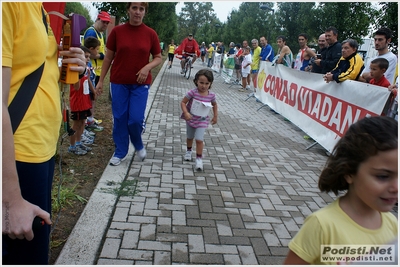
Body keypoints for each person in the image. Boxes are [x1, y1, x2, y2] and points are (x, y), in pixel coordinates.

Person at [2, 2, 86, 264]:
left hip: (41, 150)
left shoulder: (39, 8)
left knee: (35, 252)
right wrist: (12, 200)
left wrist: (75, 64)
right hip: (18, 154)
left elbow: (33, 68)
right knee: (25, 257)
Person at [284, 116, 398, 265]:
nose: (396, 187)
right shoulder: (322, 225)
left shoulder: (392, 224)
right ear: (349, 172)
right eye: (383, 176)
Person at [96, 2, 162, 166]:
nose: (137, 12)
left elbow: (158, 57)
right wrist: (100, 81)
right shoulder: (118, 31)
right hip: (119, 82)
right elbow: (109, 58)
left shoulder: (150, 34)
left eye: (141, 9)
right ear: (128, 10)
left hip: (140, 84)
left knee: (135, 119)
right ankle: (120, 151)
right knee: (119, 118)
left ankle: (138, 144)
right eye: (134, 8)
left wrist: (147, 67)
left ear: (145, 12)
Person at [180, 69, 218, 171]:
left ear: (210, 84)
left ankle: (199, 159)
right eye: (201, 83)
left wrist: (215, 116)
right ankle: (188, 151)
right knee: (190, 137)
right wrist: (186, 113)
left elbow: (214, 105)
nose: (204, 86)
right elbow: (183, 102)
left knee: (199, 139)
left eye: (207, 83)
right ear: (196, 81)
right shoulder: (192, 92)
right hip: (191, 118)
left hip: (202, 120)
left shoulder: (211, 95)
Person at [83, 10, 111, 130]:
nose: (105, 25)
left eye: (107, 23)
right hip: (91, 68)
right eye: (104, 22)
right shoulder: (91, 32)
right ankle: (88, 121)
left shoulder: (100, 33)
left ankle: (90, 119)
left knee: (93, 96)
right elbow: (88, 52)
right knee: (90, 96)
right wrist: (103, 56)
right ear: (97, 19)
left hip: (97, 70)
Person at [68, 46, 96, 155]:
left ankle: (79, 142)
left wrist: (93, 91)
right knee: (76, 124)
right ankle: (72, 146)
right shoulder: (75, 69)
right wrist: (79, 74)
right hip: (77, 102)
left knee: (83, 122)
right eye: (86, 56)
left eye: (89, 57)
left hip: (85, 101)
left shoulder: (85, 68)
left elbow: (88, 78)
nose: (88, 59)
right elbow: (75, 86)